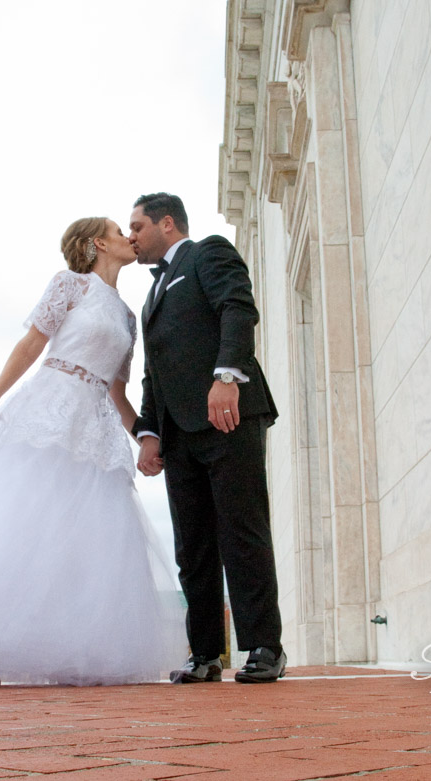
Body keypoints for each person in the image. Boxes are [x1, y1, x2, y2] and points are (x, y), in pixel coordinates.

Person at [0, 216, 186, 686]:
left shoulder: (128, 317)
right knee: (22, 526)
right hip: (48, 410)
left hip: (95, 432)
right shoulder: (70, 285)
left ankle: (68, 650)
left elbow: (117, 392)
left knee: (79, 542)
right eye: (117, 230)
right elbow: (32, 343)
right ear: (98, 243)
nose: (128, 237)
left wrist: (145, 439)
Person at [128, 192, 286, 684]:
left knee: (241, 531)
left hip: (228, 415)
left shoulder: (208, 252)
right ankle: (205, 655)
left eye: (136, 227)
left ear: (167, 223)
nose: (131, 237)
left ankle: (264, 646)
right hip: (178, 433)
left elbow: (237, 308)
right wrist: (149, 432)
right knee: (192, 547)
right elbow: (154, 371)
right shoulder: (151, 296)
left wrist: (227, 376)